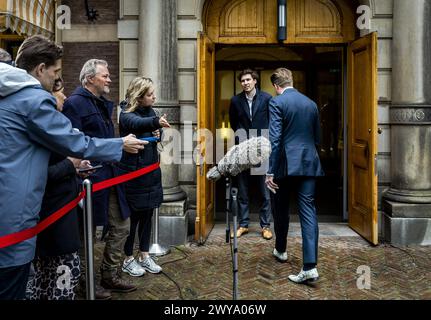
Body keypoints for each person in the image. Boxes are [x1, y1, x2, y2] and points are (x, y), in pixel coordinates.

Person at [0, 35, 146, 300]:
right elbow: (75, 142)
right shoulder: (32, 99)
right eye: (55, 71)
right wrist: (118, 145)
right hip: (14, 217)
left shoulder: (6, 94)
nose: (58, 80)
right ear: (40, 69)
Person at [62, 59, 137, 297]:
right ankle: (87, 281)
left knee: (122, 226)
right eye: (105, 75)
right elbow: (73, 144)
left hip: (111, 176)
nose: (109, 79)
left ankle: (110, 274)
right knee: (89, 233)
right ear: (89, 78)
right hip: (90, 180)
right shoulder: (74, 104)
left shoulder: (102, 103)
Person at [265, 68, 324, 284]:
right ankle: (310, 266)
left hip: (285, 164)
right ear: (291, 81)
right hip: (309, 161)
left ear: (276, 86)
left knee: (280, 208)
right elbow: (317, 137)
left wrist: (270, 170)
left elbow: (276, 139)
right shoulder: (311, 103)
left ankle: (281, 249)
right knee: (308, 210)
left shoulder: (277, 102)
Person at [119, 77, 171, 277]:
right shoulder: (126, 113)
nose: (154, 97)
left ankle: (144, 254)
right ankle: (127, 258)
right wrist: (155, 122)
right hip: (134, 175)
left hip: (150, 173)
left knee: (148, 215)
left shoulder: (151, 112)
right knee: (133, 218)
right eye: (150, 94)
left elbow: (155, 134)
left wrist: (158, 133)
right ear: (139, 97)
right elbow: (136, 123)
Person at [229, 69, 273, 240]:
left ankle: (266, 226)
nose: (245, 83)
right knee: (243, 189)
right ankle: (243, 224)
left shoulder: (267, 99)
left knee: (264, 191)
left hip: (261, 150)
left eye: (248, 80)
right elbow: (234, 122)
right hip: (243, 150)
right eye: (243, 81)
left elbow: (271, 121)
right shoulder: (235, 100)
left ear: (255, 81)